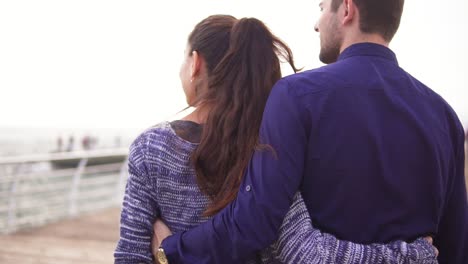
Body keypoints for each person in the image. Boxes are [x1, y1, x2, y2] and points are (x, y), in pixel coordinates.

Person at [157, 1, 468, 264]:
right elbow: (454, 245)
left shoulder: (295, 95)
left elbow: (253, 222)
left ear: (346, 9)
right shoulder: (444, 115)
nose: (317, 25)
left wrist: (170, 250)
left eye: (321, 8)